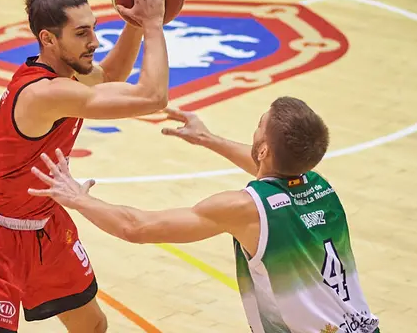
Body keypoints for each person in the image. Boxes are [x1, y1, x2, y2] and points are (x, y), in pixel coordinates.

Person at [28, 98, 381, 333]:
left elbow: (137, 227)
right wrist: (208, 139)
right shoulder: (319, 185)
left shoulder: (245, 209)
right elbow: (266, 165)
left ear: (263, 148)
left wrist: (78, 199)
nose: (255, 131)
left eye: (259, 125)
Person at [0, 0, 174, 333]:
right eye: (82, 33)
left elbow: (110, 76)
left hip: (45, 223)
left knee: (91, 326)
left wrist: (134, 23)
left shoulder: (65, 75)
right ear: (49, 39)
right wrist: (153, 25)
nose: (95, 42)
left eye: (94, 29)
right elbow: (152, 98)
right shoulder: (46, 93)